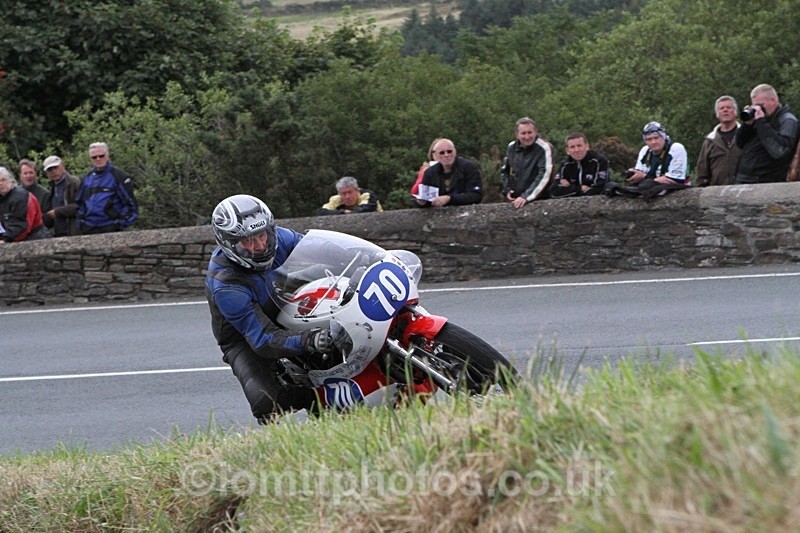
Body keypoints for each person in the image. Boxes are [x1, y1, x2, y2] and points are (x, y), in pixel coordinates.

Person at [205, 195, 332, 422]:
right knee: (265, 401)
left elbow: (323, 249)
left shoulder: (279, 237)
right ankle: (317, 399)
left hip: (284, 299)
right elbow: (263, 339)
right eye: (248, 241)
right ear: (228, 243)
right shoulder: (226, 284)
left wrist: (365, 259)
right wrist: (308, 341)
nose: (260, 246)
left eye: (261, 235)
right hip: (245, 336)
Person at [735, 83, 799, 183]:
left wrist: (761, 122)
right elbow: (739, 143)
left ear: (772, 100)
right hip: (745, 180)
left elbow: (779, 151)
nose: (758, 109)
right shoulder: (760, 119)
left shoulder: (787, 121)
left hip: (767, 182)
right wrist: (747, 125)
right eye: (755, 105)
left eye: (760, 105)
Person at [76, 142, 138, 234]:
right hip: (89, 228)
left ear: (107, 155)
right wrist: (81, 223)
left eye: (101, 156)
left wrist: (119, 224)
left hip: (111, 227)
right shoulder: (87, 178)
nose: (98, 159)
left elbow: (131, 205)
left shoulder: (118, 176)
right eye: (94, 157)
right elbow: (79, 203)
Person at [500, 117, 556, 208]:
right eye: (523, 133)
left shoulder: (544, 148)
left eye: (530, 132)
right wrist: (507, 189)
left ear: (536, 132)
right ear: (517, 134)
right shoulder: (511, 147)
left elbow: (545, 175)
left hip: (540, 200)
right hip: (516, 200)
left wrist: (526, 196)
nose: (527, 137)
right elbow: (506, 170)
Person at [416, 138, 483, 207]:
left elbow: (476, 195)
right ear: (435, 155)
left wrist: (450, 199)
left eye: (449, 151)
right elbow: (426, 201)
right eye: (442, 153)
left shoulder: (469, 167)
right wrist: (422, 202)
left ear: (455, 152)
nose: (446, 155)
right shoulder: (429, 173)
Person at [695, 96, 743, 187]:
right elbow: (702, 171)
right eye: (722, 108)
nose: (725, 110)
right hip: (717, 193)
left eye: (729, 107)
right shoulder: (710, 141)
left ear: (735, 112)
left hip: (745, 190)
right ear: (717, 114)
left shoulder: (746, 136)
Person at [626, 121, 690, 187]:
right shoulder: (645, 150)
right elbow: (639, 173)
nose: (653, 142)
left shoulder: (676, 148)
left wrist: (645, 177)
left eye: (656, 138)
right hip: (652, 185)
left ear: (663, 137)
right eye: (649, 139)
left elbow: (675, 180)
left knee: (647, 184)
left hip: (678, 188)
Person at [549, 133, 610, 198]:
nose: (576, 150)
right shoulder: (565, 165)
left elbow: (599, 190)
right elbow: (553, 192)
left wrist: (569, 187)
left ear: (587, 146)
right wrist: (581, 188)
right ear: (567, 150)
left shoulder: (599, 161)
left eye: (579, 146)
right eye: (572, 147)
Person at [0, 167, 51, 243]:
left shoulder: (21, 196)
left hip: (35, 240)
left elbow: (23, 225)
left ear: (11, 180)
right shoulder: (3, 198)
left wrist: (5, 239)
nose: (1, 183)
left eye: (3, 180)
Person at [41, 155, 81, 237]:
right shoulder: (51, 187)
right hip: (58, 232)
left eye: (56, 167)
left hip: (73, 232)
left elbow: (80, 206)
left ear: (62, 166)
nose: (53, 171)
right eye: (50, 170)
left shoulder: (74, 182)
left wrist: (58, 211)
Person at [317, 176, 383, 215]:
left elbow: (365, 210)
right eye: (343, 193)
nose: (347, 197)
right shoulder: (336, 199)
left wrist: (347, 213)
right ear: (339, 193)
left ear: (357, 190)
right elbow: (321, 212)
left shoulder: (366, 195)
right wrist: (343, 212)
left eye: (350, 192)